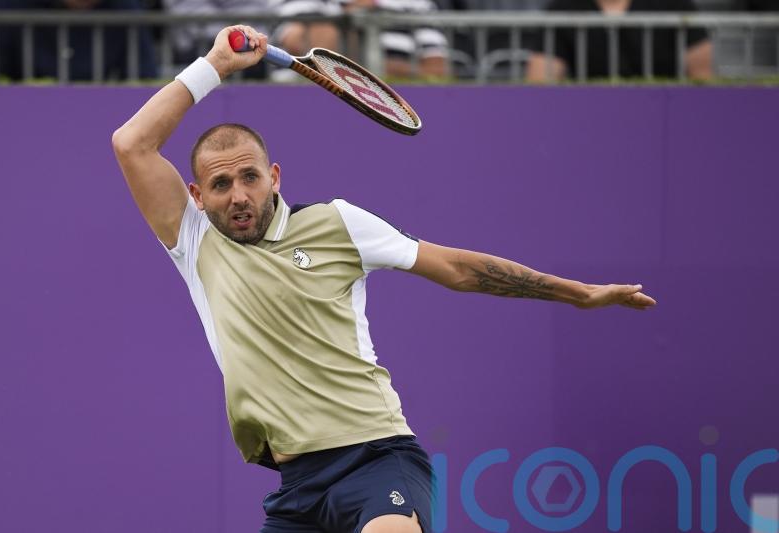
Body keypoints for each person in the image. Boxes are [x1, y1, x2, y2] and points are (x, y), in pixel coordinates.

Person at [111, 25, 656, 533]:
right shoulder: (194, 241)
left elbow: (458, 269)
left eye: (250, 177)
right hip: (295, 486)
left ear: (274, 177)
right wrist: (215, 64)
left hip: (377, 457)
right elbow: (131, 143)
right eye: (222, 183)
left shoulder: (337, 223)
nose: (238, 195)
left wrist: (578, 293)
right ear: (196, 195)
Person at [525, 0, 714, 82]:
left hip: (663, 116)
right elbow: (540, 81)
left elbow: (703, 77)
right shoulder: (562, 9)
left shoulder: (673, 4)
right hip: (589, 119)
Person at [0, 0, 157, 82]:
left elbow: (144, 78)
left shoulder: (127, 11)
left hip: (96, 116)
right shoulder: (0, 8)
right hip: (16, 116)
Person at [272, 0, 449, 79]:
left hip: (386, 107)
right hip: (309, 99)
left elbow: (437, 69)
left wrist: (368, 73)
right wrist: (353, 15)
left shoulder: (418, 3)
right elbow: (301, 44)